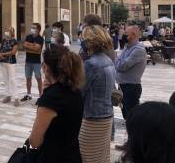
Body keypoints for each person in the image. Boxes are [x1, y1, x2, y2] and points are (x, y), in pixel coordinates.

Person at [28, 45, 84, 163]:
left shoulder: (51, 98)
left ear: (47, 67)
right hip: (72, 154)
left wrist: (44, 96)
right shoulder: (75, 90)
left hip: (53, 157)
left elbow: (34, 141)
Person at [79, 25, 115, 163]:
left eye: (83, 38)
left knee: (87, 156)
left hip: (92, 118)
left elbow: (80, 91)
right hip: (106, 115)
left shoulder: (91, 65)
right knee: (101, 157)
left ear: (89, 42)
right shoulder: (107, 60)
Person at [115, 25, 147, 120]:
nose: (124, 35)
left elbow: (121, 66)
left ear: (133, 35)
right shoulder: (127, 47)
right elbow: (118, 62)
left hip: (131, 87)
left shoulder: (138, 50)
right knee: (126, 115)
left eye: (126, 34)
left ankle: (135, 134)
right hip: (123, 86)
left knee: (132, 117)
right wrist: (118, 60)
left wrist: (117, 60)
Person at [21, 23, 44, 101]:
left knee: (38, 78)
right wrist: (33, 46)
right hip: (28, 61)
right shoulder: (28, 37)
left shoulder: (40, 38)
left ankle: (41, 95)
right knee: (28, 78)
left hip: (36, 62)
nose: (32, 29)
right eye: (32, 27)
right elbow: (24, 46)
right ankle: (28, 94)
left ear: (38, 29)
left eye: (34, 27)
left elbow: (38, 50)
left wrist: (29, 46)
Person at [0, 27, 19, 107]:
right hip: (3, 62)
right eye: (6, 30)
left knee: (12, 79)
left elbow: (13, 52)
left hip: (11, 62)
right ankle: (8, 95)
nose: (6, 32)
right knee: (5, 79)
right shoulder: (3, 40)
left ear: (12, 33)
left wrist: (3, 54)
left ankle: (16, 98)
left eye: (8, 31)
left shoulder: (14, 41)